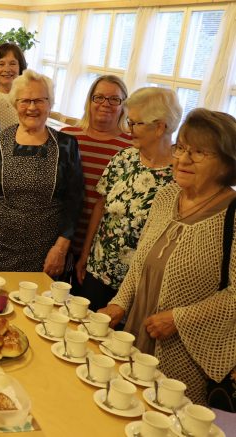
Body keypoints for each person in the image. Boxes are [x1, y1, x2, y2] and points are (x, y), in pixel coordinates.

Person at [99, 108, 236, 406]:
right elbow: (140, 261)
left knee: (167, 417)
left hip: (188, 351)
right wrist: (119, 303)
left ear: (227, 162)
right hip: (137, 333)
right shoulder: (167, 195)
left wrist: (179, 319)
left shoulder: (232, 215)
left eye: (199, 152)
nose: (183, 159)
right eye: (182, 148)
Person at [0, 69, 83, 275]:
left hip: (46, 254)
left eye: (39, 100)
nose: (32, 108)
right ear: (14, 104)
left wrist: (61, 248)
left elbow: (74, 201)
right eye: (25, 101)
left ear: (50, 104)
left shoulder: (66, 145)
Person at [75, 87, 179, 310]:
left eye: (135, 123)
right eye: (129, 122)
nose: (129, 129)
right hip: (100, 271)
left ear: (160, 126)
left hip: (141, 282)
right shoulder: (123, 158)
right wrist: (85, 254)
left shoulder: (180, 173)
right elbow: (101, 205)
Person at [62, 75, 132, 290]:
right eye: (99, 97)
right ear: (89, 101)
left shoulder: (130, 148)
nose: (105, 104)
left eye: (114, 99)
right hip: (61, 237)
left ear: (123, 106)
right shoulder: (67, 137)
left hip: (102, 248)